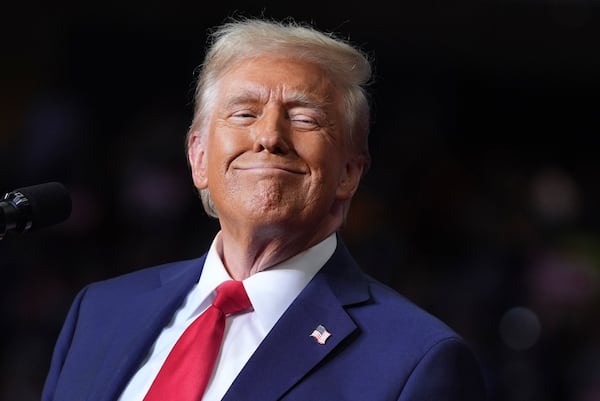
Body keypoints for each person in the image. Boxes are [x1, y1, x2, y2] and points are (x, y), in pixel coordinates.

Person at [42, 17, 487, 401]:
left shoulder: (417, 361)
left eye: (304, 117)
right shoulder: (99, 311)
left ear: (349, 173)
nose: (269, 136)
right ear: (198, 158)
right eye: (243, 113)